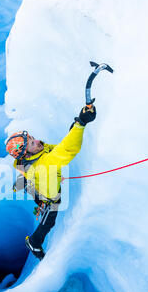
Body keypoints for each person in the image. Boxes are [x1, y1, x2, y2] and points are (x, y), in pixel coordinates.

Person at [5, 106, 96, 260]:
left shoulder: (33, 155)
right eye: (32, 143)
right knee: (49, 220)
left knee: (32, 181)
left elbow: (60, 148)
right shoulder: (44, 164)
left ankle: (25, 182)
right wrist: (81, 124)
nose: (38, 141)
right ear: (26, 153)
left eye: (33, 139)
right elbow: (65, 151)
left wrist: (76, 126)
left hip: (37, 179)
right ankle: (34, 242)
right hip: (48, 196)